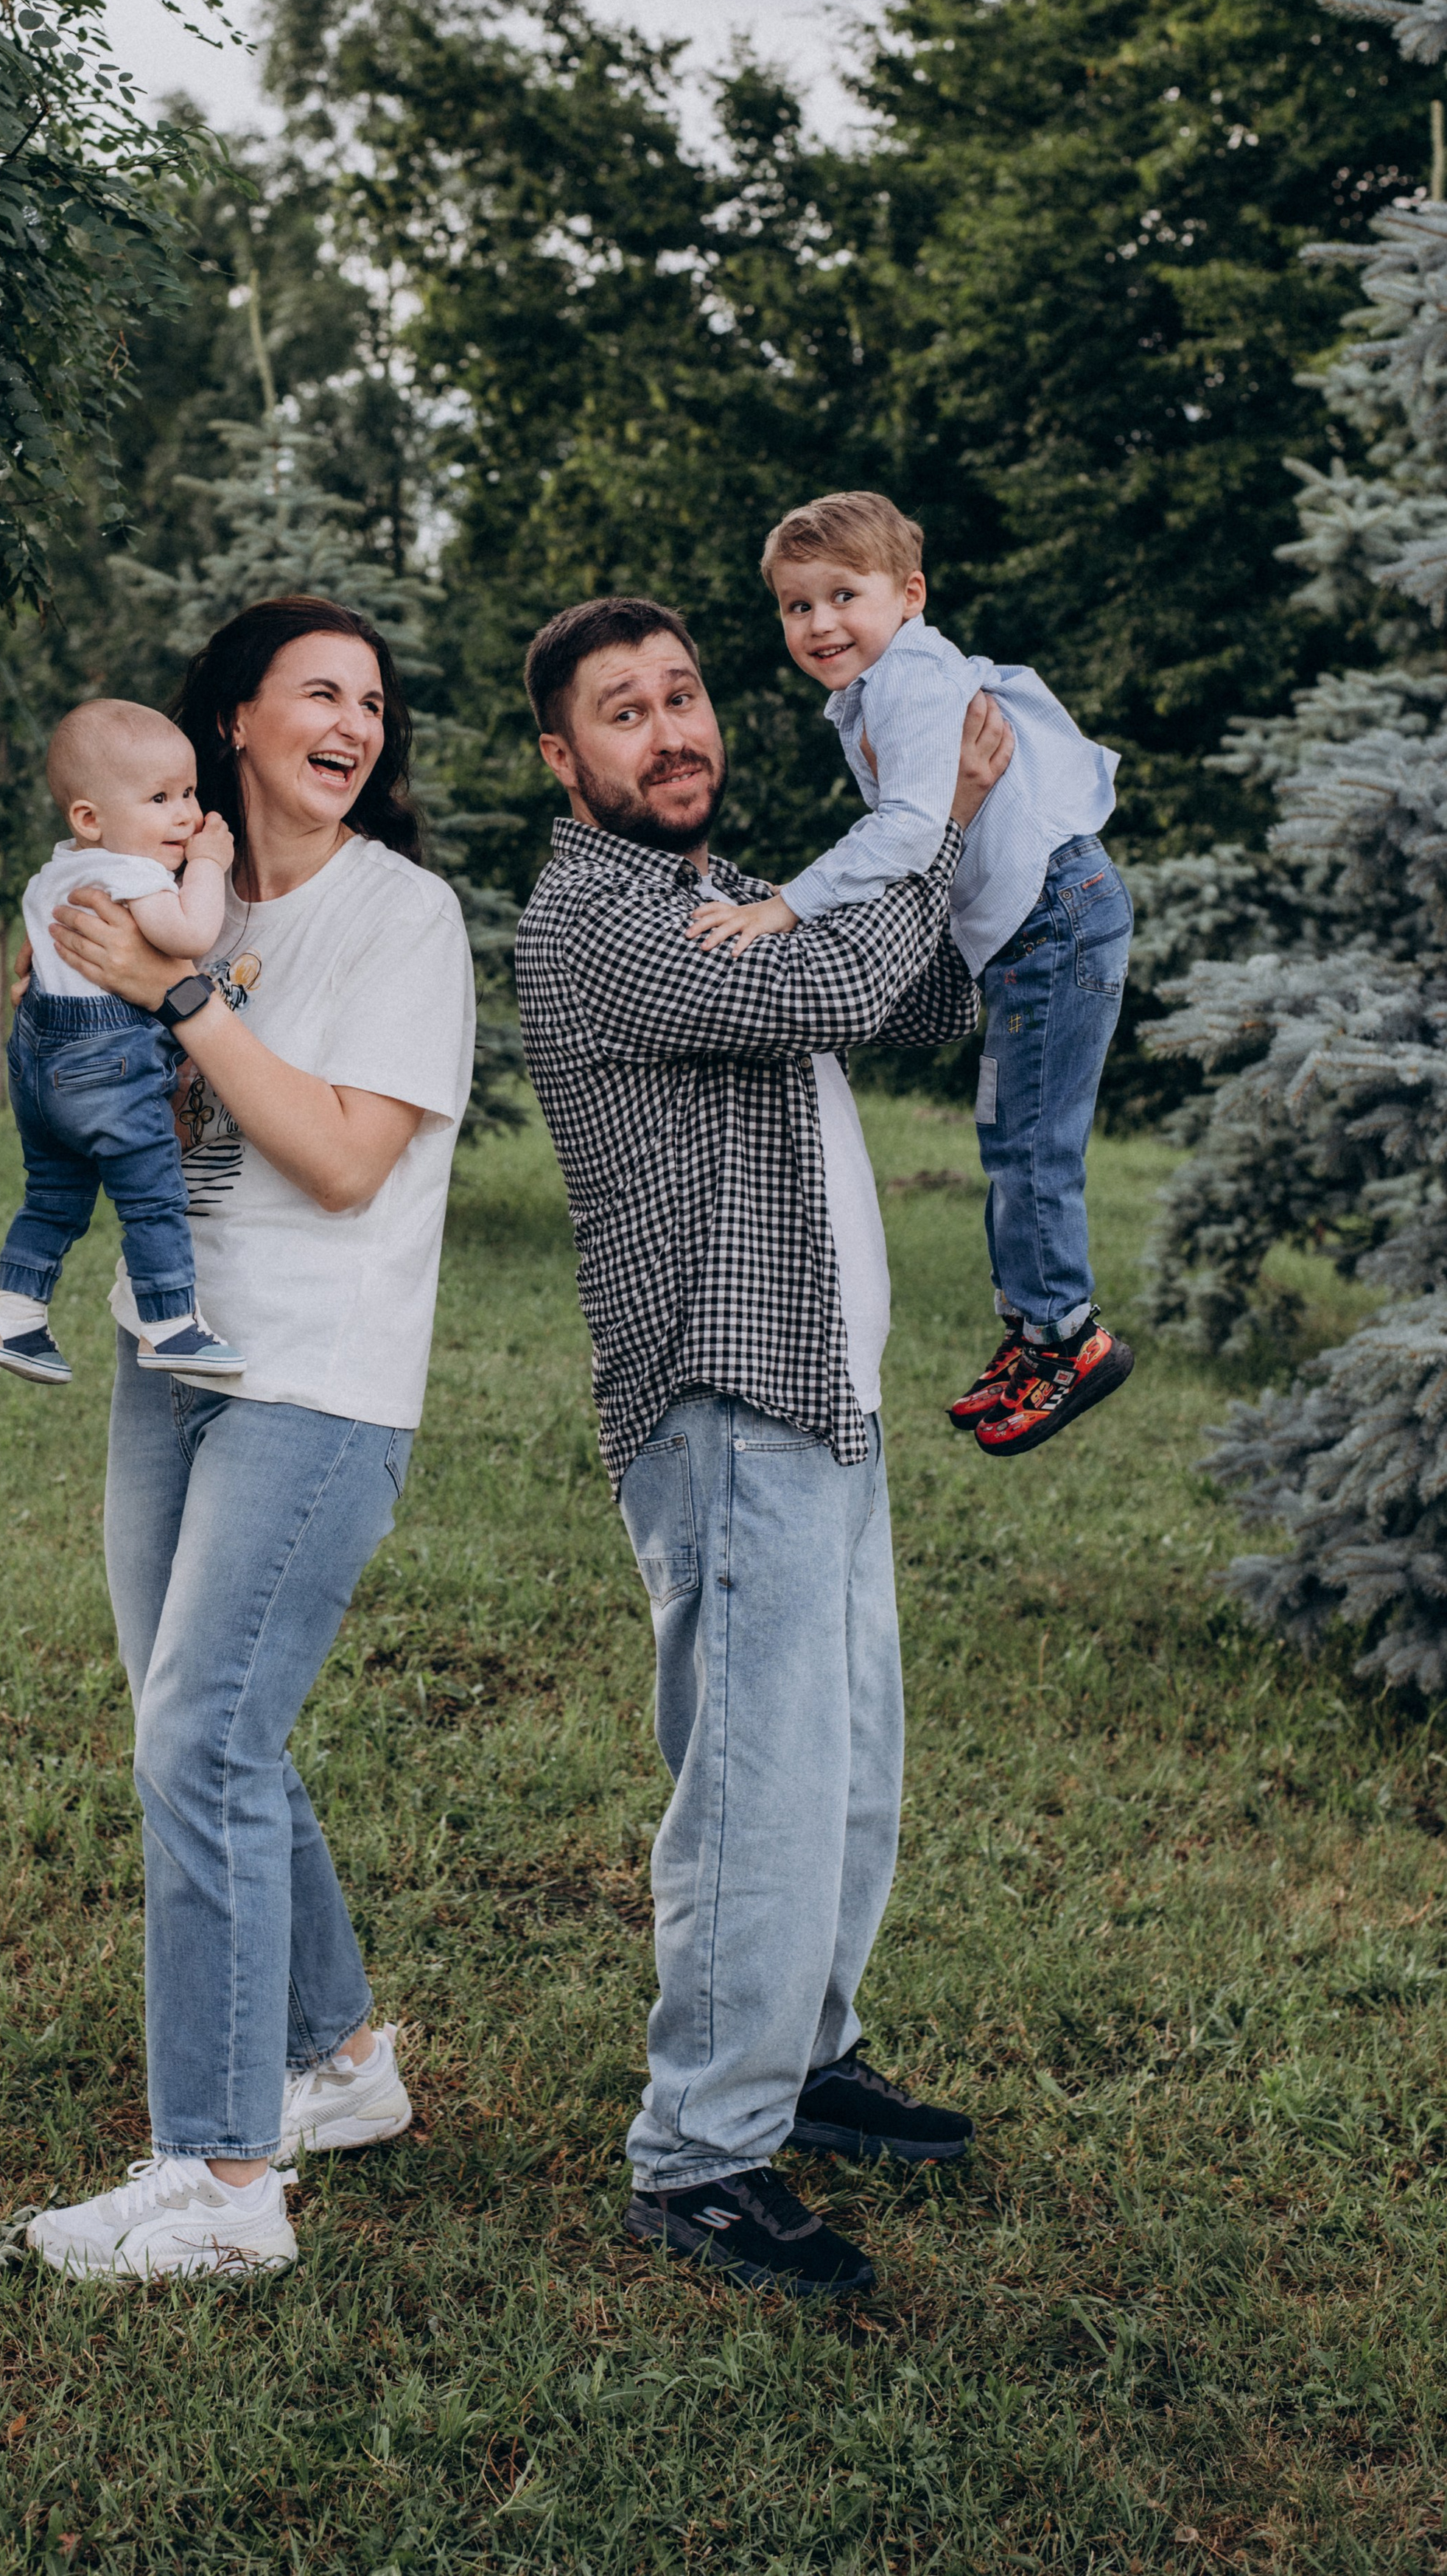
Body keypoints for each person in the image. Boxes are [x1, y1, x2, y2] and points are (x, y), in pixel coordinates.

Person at [514, 593, 1012, 2302]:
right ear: (560, 758)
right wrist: (936, 818)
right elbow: (861, 970)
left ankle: (806, 2054)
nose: (671, 730)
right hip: (723, 1395)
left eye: (682, 695)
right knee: (754, 1781)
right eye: (622, 710)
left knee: (844, 1756)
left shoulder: (728, 893)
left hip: (821, 1378)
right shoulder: (594, 918)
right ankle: (698, 2153)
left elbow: (926, 997)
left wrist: (950, 840)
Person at [14, 596, 476, 2281]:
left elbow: (346, 1159)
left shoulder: (403, 916)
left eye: (371, 700)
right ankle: (340, 2065)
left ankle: (223, 2182)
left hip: (319, 1378)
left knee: (197, 1740)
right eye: (318, 692)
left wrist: (189, 993)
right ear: (235, 719)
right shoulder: (167, 889)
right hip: (173, 1360)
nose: (353, 722)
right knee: (203, 1728)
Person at [686, 491, 1135, 1458]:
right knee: (1006, 1136)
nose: (820, 623)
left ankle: (1069, 1340)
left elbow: (907, 830)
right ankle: (1033, 1331)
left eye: (844, 595)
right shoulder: (884, 684)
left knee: (1032, 1148)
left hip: (1054, 913)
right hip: (1032, 923)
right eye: (797, 606)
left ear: (910, 594)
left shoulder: (910, 680)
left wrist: (786, 906)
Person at [0, 699, 243, 1388]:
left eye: (188, 793)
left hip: (37, 1065)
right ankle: (170, 1323)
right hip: (105, 1064)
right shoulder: (134, 873)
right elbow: (189, 937)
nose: (186, 815)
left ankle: (16, 1316)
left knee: (53, 1196)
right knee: (152, 1194)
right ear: (90, 819)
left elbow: (41, 960)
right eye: (160, 798)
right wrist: (208, 866)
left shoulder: (56, 872)